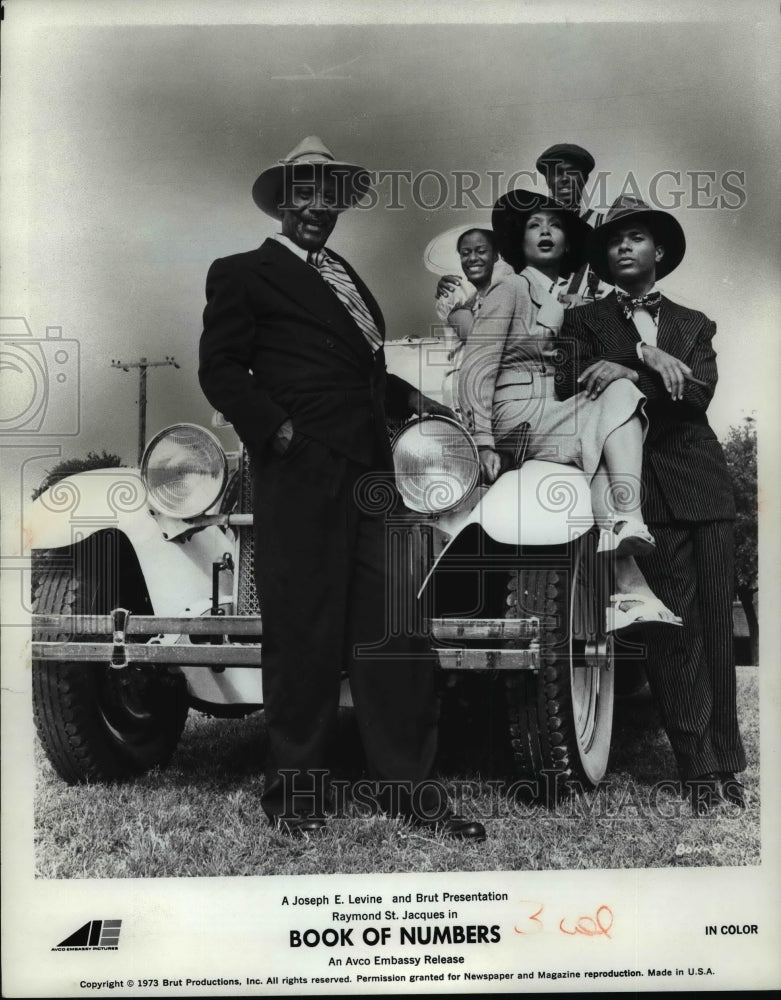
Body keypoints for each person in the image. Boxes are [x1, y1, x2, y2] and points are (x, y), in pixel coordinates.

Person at [198, 136, 485, 840]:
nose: (316, 206)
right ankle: (296, 794)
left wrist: (413, 400)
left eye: (328, 195)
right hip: (299, 473)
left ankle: (411, 791)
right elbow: (220, 370)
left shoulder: (347, 278)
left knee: (395, 630)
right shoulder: (242, 272)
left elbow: (358, 372)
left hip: (370, 474)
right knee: (303, 635)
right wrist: (279, 432)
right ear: (281, 201)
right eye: (303, 192)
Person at [560, 195, 746, 812]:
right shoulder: (585, 321)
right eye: (613, 241)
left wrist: (630, 369)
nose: (623, 247)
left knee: (717, 626)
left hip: (703, 484)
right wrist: (642, 354)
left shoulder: (695, 323)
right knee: (671, 631)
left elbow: (696, 395)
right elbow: (572, 380)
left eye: (635, 237)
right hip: (640, 495)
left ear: (658, 251)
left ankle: (728, 766)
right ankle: (697, 773)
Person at [459, 189, 680, 629]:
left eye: (554, 225)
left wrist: (635, 355)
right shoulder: (513, 286)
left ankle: (628, 585)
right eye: (534, 225)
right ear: (518, 241)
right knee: (618, 398)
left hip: (554, 414)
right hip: (519, 415)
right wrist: (482, 439)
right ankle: (627, 521)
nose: (544, 231)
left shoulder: (560, 298)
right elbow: (476, 365)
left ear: (566, 242)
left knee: (604, 439)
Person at [535, 142, 611, 307]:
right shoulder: (531, 228)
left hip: (592, 322)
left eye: (571, 172)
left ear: (584, 178)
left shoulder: (604, 224)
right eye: (556, 173)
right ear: (548, 181)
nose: (564, 179)